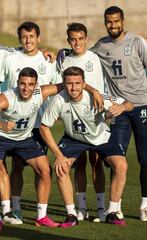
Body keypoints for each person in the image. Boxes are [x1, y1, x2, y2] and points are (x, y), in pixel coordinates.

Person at [3, 21, 103, 221]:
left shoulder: (49, 61)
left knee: (43, 170)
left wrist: (92, 90)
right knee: (16, 166)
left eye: (32, 36)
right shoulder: (10, 57)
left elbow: (62, 84)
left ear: (39, 38)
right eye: (24, 36)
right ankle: (15, 208)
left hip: (39, 123)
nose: (28, 40)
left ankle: (44, 213)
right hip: (16, 123)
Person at [91, 6, 147, 221]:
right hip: (119, 109)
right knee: (116, 159)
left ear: (123, 21)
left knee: (145, 158)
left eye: (116, 21)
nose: (113, 25)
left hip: (142, 106)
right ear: (105, 22)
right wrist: (60, 54)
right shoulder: (101, 46)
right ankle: (116, 207)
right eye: (109, 22)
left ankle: (145, 206)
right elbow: (83, 57)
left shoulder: (137, 42)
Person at [40, 66, 134, 227]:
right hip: (73, 138)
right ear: (64, 83)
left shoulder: (95, 97)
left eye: (77, 83)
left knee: (121, 166)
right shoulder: (59, 100)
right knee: (61, 168)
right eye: (69, 83)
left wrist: (122, 107)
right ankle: (71, 215)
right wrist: (58, 155)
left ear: (84, 84)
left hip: (101, 137)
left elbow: (129, 103)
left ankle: (111, 212)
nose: (73, 87)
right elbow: (44, 126)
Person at [0, 67, 64, 231]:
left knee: (45, 170)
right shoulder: (6, 98)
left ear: (36, 85)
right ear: (17, 83)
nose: (26, 88)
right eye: (22, 84)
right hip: (0, 137)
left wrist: (93, 91)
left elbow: (67, 84)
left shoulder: (41, 93)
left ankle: (41, 216)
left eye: (30, 84)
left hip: (24, 139)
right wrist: (0, 125)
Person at [56, 22, 106, 222]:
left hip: (95, 117)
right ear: (68, 40)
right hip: (73, 119)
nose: (77, 43)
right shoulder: (64, 60)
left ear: (87, 39)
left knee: (97, 162)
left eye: (80, 38)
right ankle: (82, 207)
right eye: (72, 39)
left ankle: (101, 207)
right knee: (80, 164)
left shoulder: (96, 57)